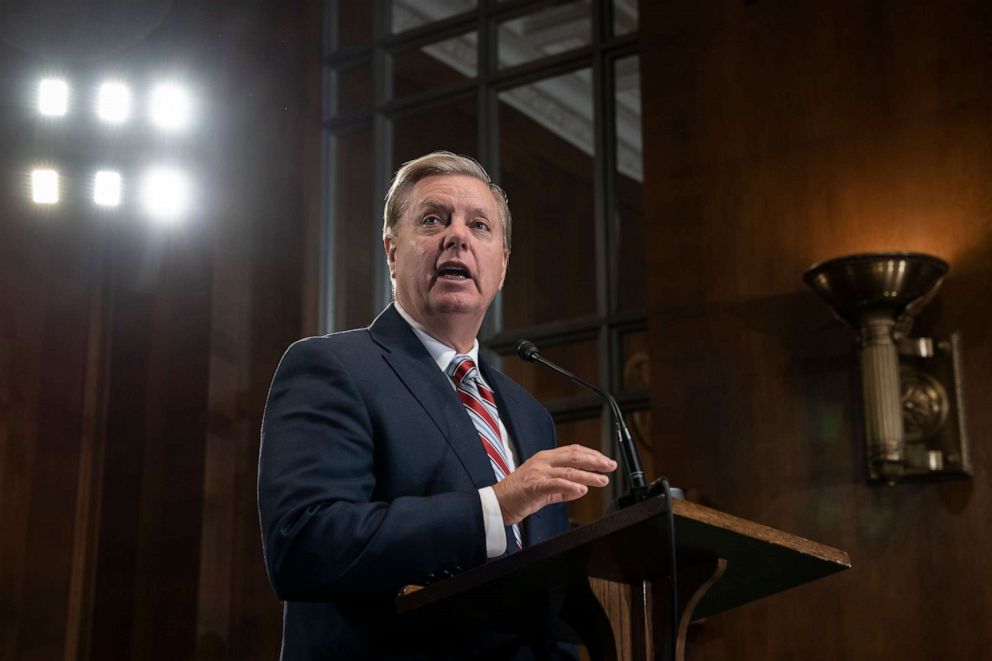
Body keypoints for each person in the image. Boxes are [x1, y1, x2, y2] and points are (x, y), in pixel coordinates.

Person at [258, 151, 617, 659]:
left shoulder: (528, 413)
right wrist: (494, 507)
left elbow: (539, 604)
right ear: (391, 251)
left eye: (479, 225)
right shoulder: (331, 367)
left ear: (502, 266)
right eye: (432, 220)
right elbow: (305, 543)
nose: (458, 236)